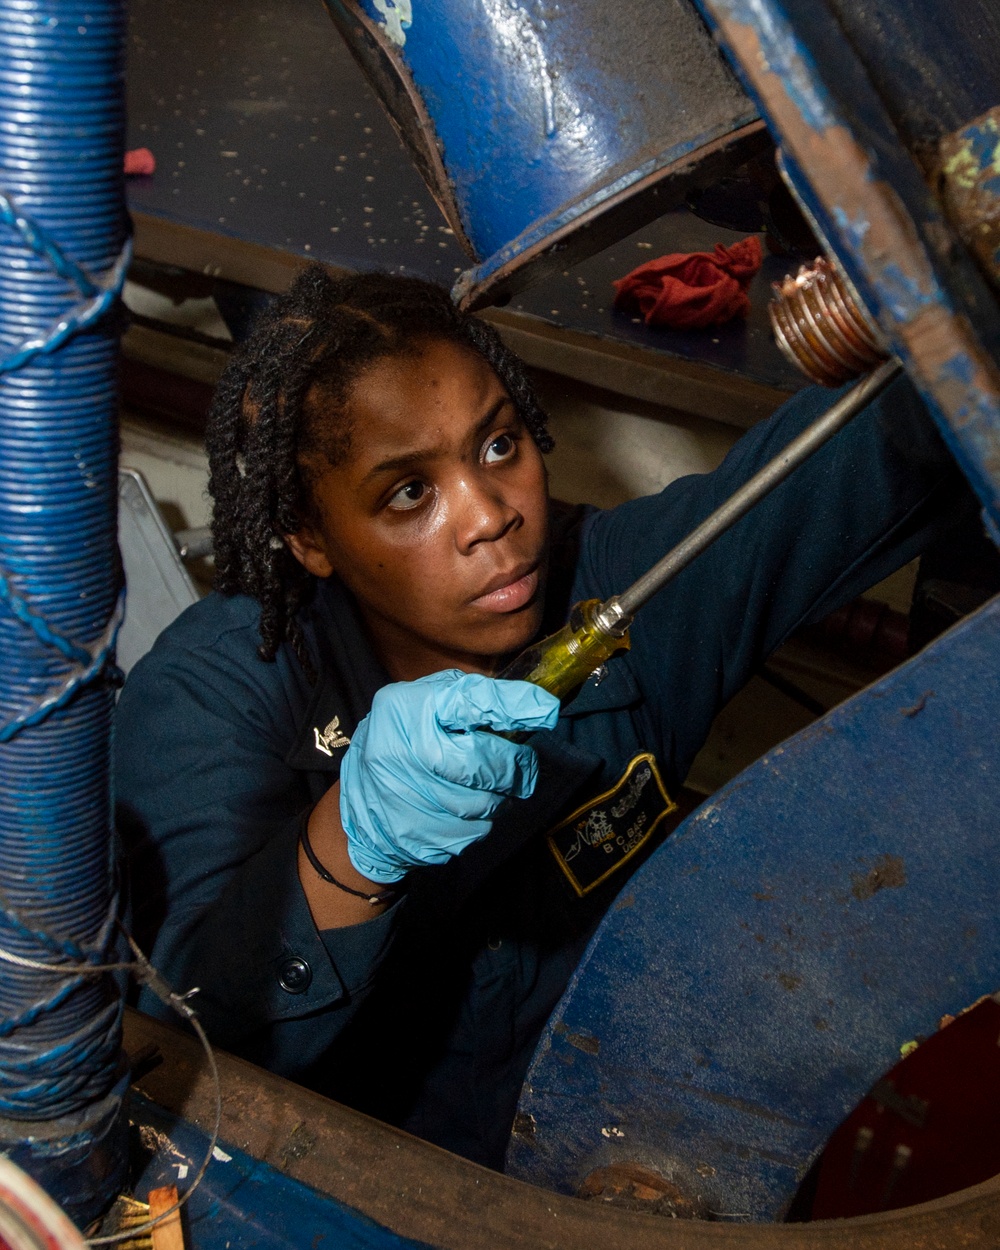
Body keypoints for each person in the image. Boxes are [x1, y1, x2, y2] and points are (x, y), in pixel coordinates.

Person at [115, 265, 966, 1170]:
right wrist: (347, 851)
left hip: (604, 1147)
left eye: (497, 445)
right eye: (408, 493)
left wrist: (957, 293)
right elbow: (182, 1048)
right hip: (349, 1186)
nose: (493, 517)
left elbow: (876, 454)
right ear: (309, 539)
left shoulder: (631, 592)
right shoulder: (216, 691)